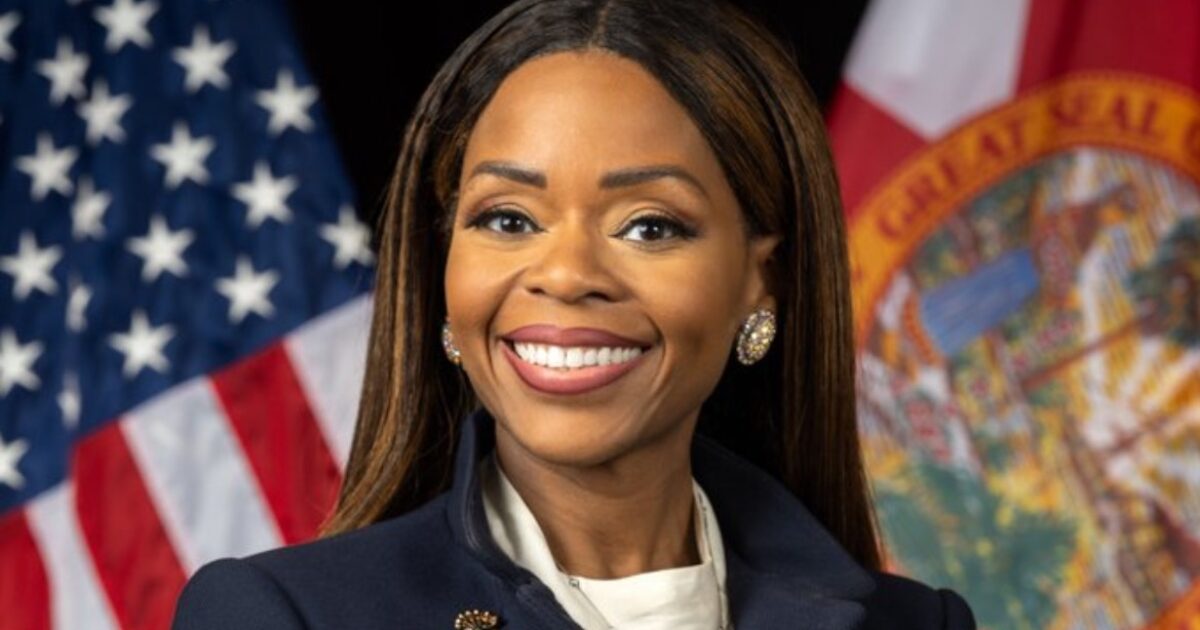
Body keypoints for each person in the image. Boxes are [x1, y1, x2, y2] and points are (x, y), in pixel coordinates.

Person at [172, 0, 977, 628]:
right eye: (508, 219)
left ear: (761, 282)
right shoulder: (287, 616)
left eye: (650, 227)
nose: (565, 275)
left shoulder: (916, 625)